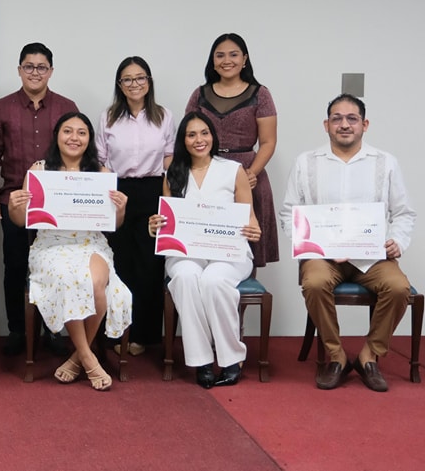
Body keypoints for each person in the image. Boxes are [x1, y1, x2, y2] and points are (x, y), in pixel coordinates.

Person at [279, 94, 415, 392]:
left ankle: (369, 355)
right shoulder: (306, 162)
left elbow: (403, 213)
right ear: (326, 125)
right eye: (337, 119)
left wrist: (397, 241)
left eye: (352, 119)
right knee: (314, 283)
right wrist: (309, 243)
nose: (344, 125)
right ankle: (337, 356)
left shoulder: (386, 162)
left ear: (364, 125)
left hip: (373, 257)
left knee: (398, 288)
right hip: (324, 258)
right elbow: (289, 212)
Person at [8, 112, 133, 391]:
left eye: (81, 132)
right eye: (67, 131)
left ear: (89, 139)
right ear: (57, 136)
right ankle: (89, 358)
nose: (74, 137)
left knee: (97, 283)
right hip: (51, 245)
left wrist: (121, 209)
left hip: (91, 243)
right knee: (69, 278)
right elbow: (21, 220)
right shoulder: (39, 171)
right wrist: (14, 206)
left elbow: (113, 224)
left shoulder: (101, 174)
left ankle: (77, 356)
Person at [148, 112, 260, 388]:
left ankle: (232, 358)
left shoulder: (233, 170)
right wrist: (155, 225)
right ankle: (200, 361)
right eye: (191, 134)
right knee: (186, 277)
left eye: (204, 133)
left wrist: (253, 230)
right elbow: (166, 220)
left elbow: (250, 218)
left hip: (228, 252)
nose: (199, 140)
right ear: (182, 140)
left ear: (213, 136)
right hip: (186, 252)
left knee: (213, 280)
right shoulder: (173, 173)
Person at [0, 42, 78, 356]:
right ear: (19, 69)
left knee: (53, 266)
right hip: (15, 203)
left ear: (50, 71)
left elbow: (79, 152)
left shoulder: (67, 107)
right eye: (29, 66)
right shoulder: (2, 108)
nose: (35, 72)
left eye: (41, 67)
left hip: (57, 205)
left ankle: (53, 330)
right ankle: (17, 331)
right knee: (16, 266)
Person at [96, 56, 175, 356]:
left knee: (149, 264)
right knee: (120, 262)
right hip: (117, 191)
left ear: (149, 81)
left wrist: (168, 198)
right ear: (120, 84)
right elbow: (100, 159)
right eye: (127, 79)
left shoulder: (164, 115)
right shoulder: (108, 117)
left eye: (140, 78)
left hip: (153, 189)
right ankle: (117, 334)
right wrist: (110, 186)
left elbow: (169, 158)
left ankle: (145, 335)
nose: (134, 84)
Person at [185, 33, 278, 269]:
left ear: (245, 59)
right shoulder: (199, 94)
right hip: (205, 171)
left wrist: (250, 175)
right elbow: (187, 133)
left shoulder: (261, 94)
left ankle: (236, 305)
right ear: (212, 61)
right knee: (201, 240)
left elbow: (268, 142)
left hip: (248, 173)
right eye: (220, 55)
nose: (227, 60)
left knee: (246, 246)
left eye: (234, 54)